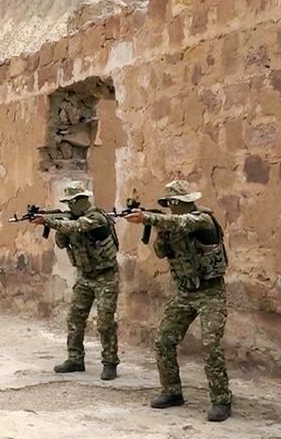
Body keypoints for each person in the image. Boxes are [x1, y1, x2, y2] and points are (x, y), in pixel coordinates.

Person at [125, 180, 232, 422]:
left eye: (175, 203)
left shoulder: (202, 219)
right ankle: (172, 391)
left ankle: (221, 400)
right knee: (164, 340)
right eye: (169, 204)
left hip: (210, 293)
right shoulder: (171, 224)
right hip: (184, 293)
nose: (172, 207)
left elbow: (183, 222)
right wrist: (161, 231)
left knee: (211, 345)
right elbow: (160, 251)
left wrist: (149, 219)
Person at [31, 181, 120, 381]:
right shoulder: (70, 220)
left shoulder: (96, 217)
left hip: (106, 276)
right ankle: (75, 358)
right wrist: (60, 226)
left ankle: (110, 362)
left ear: (82, 200)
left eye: (72, 202)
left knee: (105, 322)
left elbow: (80, 226)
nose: (70, 206)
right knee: (75, 318)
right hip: (85, 276)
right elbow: (61, 243)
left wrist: (50, 222)